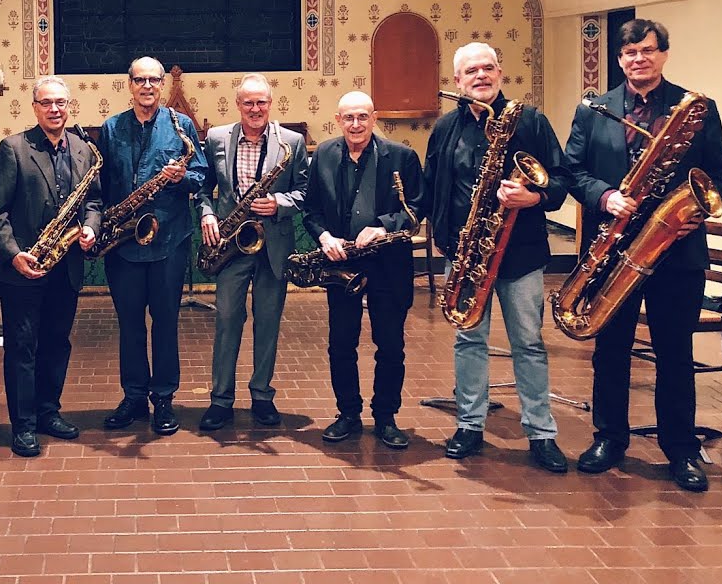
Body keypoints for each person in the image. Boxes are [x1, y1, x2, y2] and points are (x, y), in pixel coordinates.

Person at [563, 19, 722, 492]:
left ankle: (681, 449)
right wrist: (604, 197)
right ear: (620, 59)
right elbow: (572, 170)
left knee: (675, 353)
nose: (639, 59)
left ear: (664, 54)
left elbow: (719, 175)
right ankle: (609, 438)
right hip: (613, 249)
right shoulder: (594, 110)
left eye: (648, 50)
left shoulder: (695, 109)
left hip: (676, 250)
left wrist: (696, 209)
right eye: (630, 52)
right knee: (610, 350)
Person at [422, 41, 570, 473]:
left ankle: (540, 432)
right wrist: (443, 237)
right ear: (457, 81)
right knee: (469, 341)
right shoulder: (445, 128)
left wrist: (534, 197)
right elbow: (433, 186)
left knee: (529, 343)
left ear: (500, 73)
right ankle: (470, 425)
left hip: (520, 253)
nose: (481, 76)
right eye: (471, 71)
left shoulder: (530, 121)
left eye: (488, 68)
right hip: (467, 254)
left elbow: (562, 180)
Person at [0, 75, 102, 457]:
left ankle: (49, 411)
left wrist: (90, 227)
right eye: (46, 102)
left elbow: (94, 202)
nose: (54, 109)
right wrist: (13, 254)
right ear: (35, 108)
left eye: (60, 103)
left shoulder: (83, 149)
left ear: (69, 107)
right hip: (24, 267)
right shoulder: (14, 148)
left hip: (65, 266)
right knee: (22, 347)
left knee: (56, 343)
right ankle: (24, 425)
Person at [300, 91, 423, 448]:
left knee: (390, 345)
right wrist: (324, 237)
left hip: (388, 263)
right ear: (338, 120)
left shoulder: (402, 156)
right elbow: (311, 209)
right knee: (341, 343)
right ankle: (348, 414)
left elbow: (417, 207)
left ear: (374, 118)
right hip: (341, 263)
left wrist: (383, 226)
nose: (356, 124)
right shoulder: (323, 154)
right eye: (349, 118)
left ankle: (386, 417)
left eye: (363, 117)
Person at [97, 57, 209, 435]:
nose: (147, 86)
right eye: (140, 79)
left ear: (162, 84)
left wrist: (182, 177)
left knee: (165, 323)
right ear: (129, 84)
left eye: (153, 80)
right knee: (129, 324)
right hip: (123, 242)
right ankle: (133, 396)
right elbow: (102, 183)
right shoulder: (111, 128)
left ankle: (163, 398)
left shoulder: (182, 125)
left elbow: (200, 176)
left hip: (169, 240)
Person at [197, 73, 309, 430]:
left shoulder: (292, 141)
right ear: (238, 105)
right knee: (227, 319)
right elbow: (202, 188)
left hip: (273, 245)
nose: (255, 108)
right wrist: (208, 213)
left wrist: (280, 203)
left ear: (270, 104)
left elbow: (305, 191)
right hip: (232, 245)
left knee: (268, 322)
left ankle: (262, 396)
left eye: (261, 102)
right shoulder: (217, 138)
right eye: (249, 102)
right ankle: (221, 400)